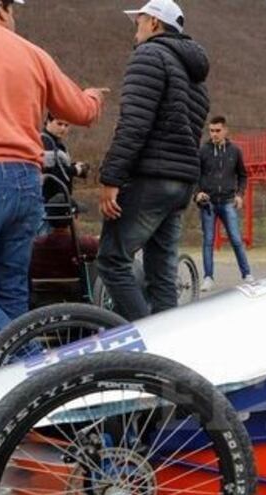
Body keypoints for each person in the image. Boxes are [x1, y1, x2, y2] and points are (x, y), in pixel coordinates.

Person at [0, 0, 105, 345]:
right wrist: (92, 96)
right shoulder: (31, 52)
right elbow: (82, 111)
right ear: (0, 7)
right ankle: (21, 387)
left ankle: (28, 358)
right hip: (26, 181)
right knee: (10, 290)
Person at [98, 0, 210, 321]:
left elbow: (134, 123)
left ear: (154, 25)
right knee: (161, 273)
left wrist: (111, 178)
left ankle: (146, 340)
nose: (136, 29)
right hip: (180, 184)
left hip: (150, 178)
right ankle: (167, 353)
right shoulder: (196, 78)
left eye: (139, 22)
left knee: (112, 260)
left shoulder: (149, 56)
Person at [196, 116, 253, 291]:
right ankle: (208, 277)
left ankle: (247, 274)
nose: (214, 134)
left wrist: (240, 194)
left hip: (228, 201)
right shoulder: (203, 151)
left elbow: (243, 175)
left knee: (236, 240)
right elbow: (194, 176)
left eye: (217, 130)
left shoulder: (235, 151)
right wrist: (197, 193)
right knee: (208, 241)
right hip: (208, 204)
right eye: (211, 130)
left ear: (225, 130)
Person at [41, 113, 89, 205]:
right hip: (49, 201)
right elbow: (50, 171)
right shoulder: (45, 141)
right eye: (59, 124)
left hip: (58, 199)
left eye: (66, 125)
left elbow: (57, 165)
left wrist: (74, 166)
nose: (63, 128)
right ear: (48, 122)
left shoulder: (56, 143)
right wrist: (75, 170)